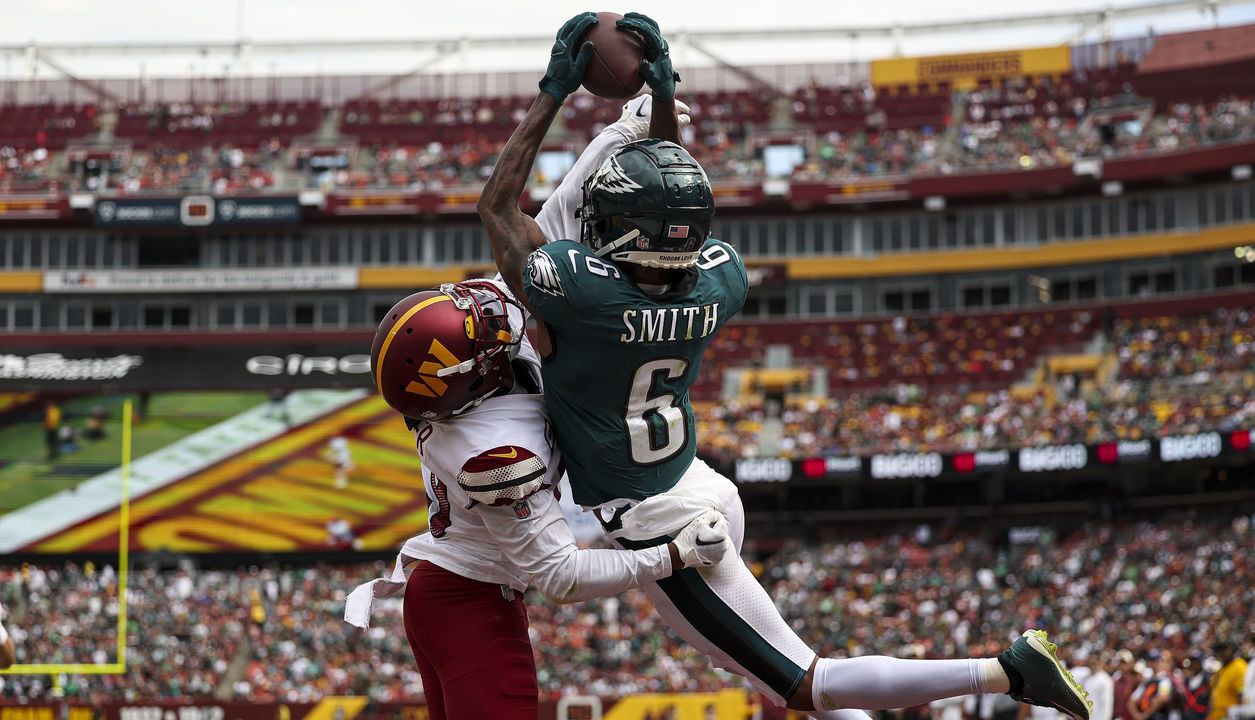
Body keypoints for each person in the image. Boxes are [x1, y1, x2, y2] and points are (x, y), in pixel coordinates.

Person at [478, 10, 1093, 720]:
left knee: (806, 682)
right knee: (778, 670)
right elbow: (672, 188)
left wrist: (552, 91)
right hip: (703, 486)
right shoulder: (720, 278)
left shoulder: (579, 297)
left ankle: (1004, 671)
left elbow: (498, 206)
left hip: (663, 521)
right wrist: (663, 99)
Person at [345, 99, 731, 720]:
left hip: (453, 592)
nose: (498, 317)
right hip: (468, 600)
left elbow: (554, 217)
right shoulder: (493, 448)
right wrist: (674, 556)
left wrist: (623, 130)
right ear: (467, 380)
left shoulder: (470, 395)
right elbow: (561, 577)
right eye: (483, 332)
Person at [1209, 642, 1247, 720]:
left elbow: (1243, 695)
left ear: (1232, 649)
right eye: (1218, 650)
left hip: (1231, 716)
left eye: (1224, 649)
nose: (1221, 653)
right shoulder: (1221, 668)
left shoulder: (1239, 667)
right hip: (1217, 716)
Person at [1182, 652, 1211, 720]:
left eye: (1195, 663)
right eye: (1191, 663)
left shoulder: (1207, 680)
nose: (1192, 665)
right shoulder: (1187, 680)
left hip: (1201, 716)